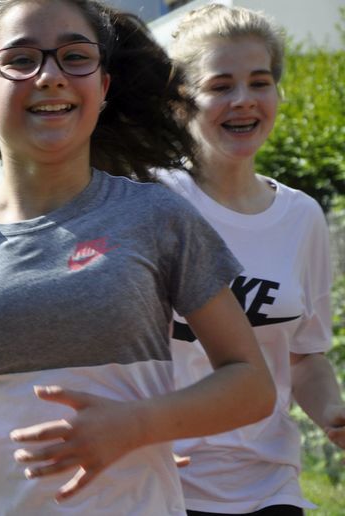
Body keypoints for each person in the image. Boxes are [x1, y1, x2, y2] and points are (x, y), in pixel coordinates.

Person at [0, 1, 277, 514]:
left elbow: (251, 383)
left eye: (75, 56)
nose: (50, 76)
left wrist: (135, 425)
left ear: (103, 87)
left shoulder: (157, 218)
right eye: (21, 59)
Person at [158, 4, 345, 515]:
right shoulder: (150, 204)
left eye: (259, 82)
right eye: (220, 86)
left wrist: (332, 411)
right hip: (164, 486)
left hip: (271, 487)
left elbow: (304, 355)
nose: (243, 101)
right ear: (181, 102)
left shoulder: (301, 216)